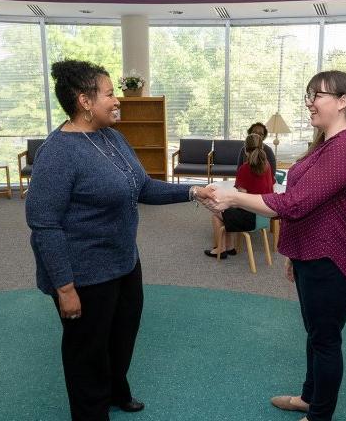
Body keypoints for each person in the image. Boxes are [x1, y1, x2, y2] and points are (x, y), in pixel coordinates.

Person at [25, 59, 213, 421]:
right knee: (87, 351)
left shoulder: (112, 136)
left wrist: (193, 192)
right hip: (84, 272)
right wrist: (65, 288)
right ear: (84, 101)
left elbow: (141, 186)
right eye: (110, 94)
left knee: (123, 334)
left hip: (124, 260)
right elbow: (44, 225)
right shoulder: (58, 153)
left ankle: (115, 390)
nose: (117, 100)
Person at [208, 70, 346, 421]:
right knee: (315, 335)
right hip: (314, 254)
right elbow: (308, 203)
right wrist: (295, 254)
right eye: (308, 95)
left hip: (334, 257)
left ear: (343, 102)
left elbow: (294, 203)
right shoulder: (327, 144)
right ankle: (309, 398)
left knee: (325, 340)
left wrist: (235, 197)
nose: (310, 102)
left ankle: (319, 415)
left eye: (319, 95)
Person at [205, 133, 274, 258]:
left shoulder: (245, 169)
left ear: (245, 150)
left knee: (217, 213)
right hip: (264, 215)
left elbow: (241, 198)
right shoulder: (267, 166)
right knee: (229, 210)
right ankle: (230, 247)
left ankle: (221, 248)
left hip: (250, 217)